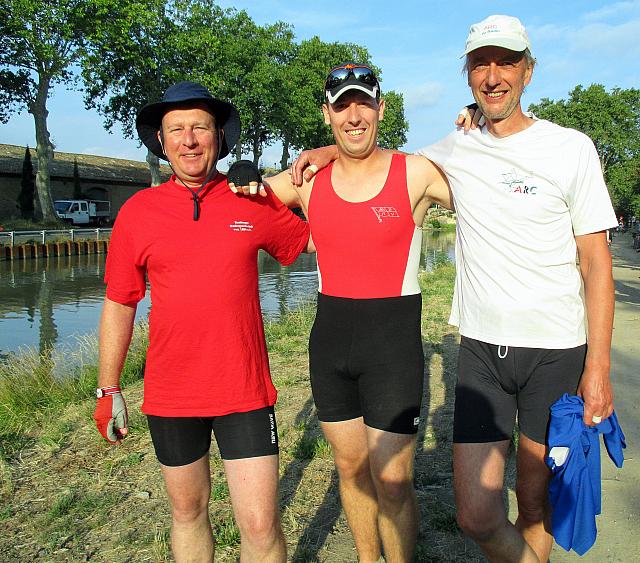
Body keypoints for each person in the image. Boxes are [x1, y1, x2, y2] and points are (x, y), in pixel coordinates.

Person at [293, 15, 618, 563]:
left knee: (533, 500)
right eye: (480, 64)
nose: (493, 76)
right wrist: (328, 152)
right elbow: (379, 162)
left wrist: (599, 370)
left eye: (506, 62)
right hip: (481, 350)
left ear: (528, 71)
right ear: (468, 75)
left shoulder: (571, 149)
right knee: (476, 514)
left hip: (557, 349)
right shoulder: (453, 147)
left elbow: (597, 263)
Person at [231, 63, 451, 562]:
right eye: (342, 106)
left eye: (363, 103)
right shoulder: (308, 180)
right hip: (330, 345)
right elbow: (240, 203)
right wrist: (242, 172)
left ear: (381, 108)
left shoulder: (415, 172)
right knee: (351, 469)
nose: (354, 115)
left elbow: (487, 190)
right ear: (326, 112)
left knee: (392, 480)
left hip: (392, 347)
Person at [93, 81, 310, 562]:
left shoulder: (249, 201)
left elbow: (314, 240)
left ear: (218, 137)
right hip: (172, 395)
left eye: (200, 127)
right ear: (162, 141)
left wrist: (290, 181)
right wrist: (108, 388)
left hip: (244, 390)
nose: (189, 139)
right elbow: (120, 301)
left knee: (259, 522)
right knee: (188, 512)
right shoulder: (138, 213)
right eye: (176, 130)